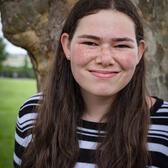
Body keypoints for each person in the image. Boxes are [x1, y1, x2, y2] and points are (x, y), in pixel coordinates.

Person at [13, 0, 168, 167]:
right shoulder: (33, 114)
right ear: (67, 46)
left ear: (139, 52)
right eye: (90, 43)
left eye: (121, 45)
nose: (105, 59)